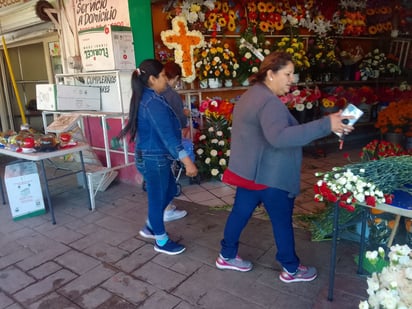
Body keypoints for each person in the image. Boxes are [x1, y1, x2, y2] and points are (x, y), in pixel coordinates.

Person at [215, 51, 354, 282]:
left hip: (251, 172)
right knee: (281, 221)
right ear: (270, 74)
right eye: (288, 74)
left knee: (240, 213)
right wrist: (325, 124)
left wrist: (328, 123)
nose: (292, 80)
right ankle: (291, 268)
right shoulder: (268, 101)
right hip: (269, 174)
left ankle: (226, 255)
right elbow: (279, 137)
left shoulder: (252, 95)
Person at [118, 59, 198, 255]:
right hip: (154, 158)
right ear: (152, 79)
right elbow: (168, 137)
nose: (165, 79)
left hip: (154, 156)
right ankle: (161, 240)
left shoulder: (151, 96)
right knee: (157, 197)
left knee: (170, 190)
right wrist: (187, 161)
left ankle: (151, 226)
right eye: (162, 76)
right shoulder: (152, 102)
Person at [160, 61, 191, 222]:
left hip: (155, 143)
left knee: (162, 177)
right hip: (169, 141)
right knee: (167, 175)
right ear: (176, 77)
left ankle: (165, 207)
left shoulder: (152, 92)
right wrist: (185, 113)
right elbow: (179, 120)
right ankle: (166, 210)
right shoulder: (171, 94)